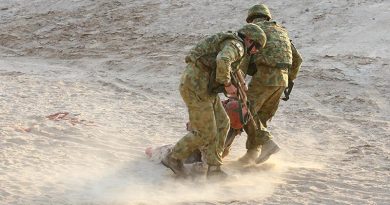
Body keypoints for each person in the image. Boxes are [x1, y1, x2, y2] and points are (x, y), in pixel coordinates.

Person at [161, 23, 267, 179]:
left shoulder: (233, 44)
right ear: (249, 39)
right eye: (256, 46)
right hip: (196, 86)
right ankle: (173, 158)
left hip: (204, 88)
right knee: (205, 132)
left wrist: (238, 84)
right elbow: (223, 59)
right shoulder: (237, 45)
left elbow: (230, 65)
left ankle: (214, 169)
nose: (256, 51)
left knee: (223, 123)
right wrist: (227, 84)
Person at [237, 4, 303, 164]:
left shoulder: (253, 31)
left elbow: (244, 60)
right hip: (283, 78)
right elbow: (298, 59)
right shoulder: (282, 31)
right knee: (261, 117)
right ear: (267, 17)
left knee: (243, 111)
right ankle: (252, 154)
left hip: (265, 75)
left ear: (251, 19)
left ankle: (267, 143)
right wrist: (289, 81)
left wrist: (239, 82)